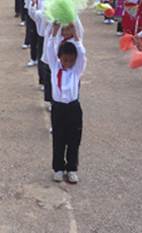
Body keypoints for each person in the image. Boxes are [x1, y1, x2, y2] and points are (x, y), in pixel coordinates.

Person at [45, 22, 86, 184]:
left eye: (71, 60)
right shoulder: (55, 66)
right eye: (65, 60)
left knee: (74, 139)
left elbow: (82, 53)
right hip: (58, 108)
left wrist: (76, 36)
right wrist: (54, 32)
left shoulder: (77, 69)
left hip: (73, 108)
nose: (68, 63)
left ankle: (71, 168)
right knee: (58, 138)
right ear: (59, 58)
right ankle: (59, 168)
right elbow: (49, 49)